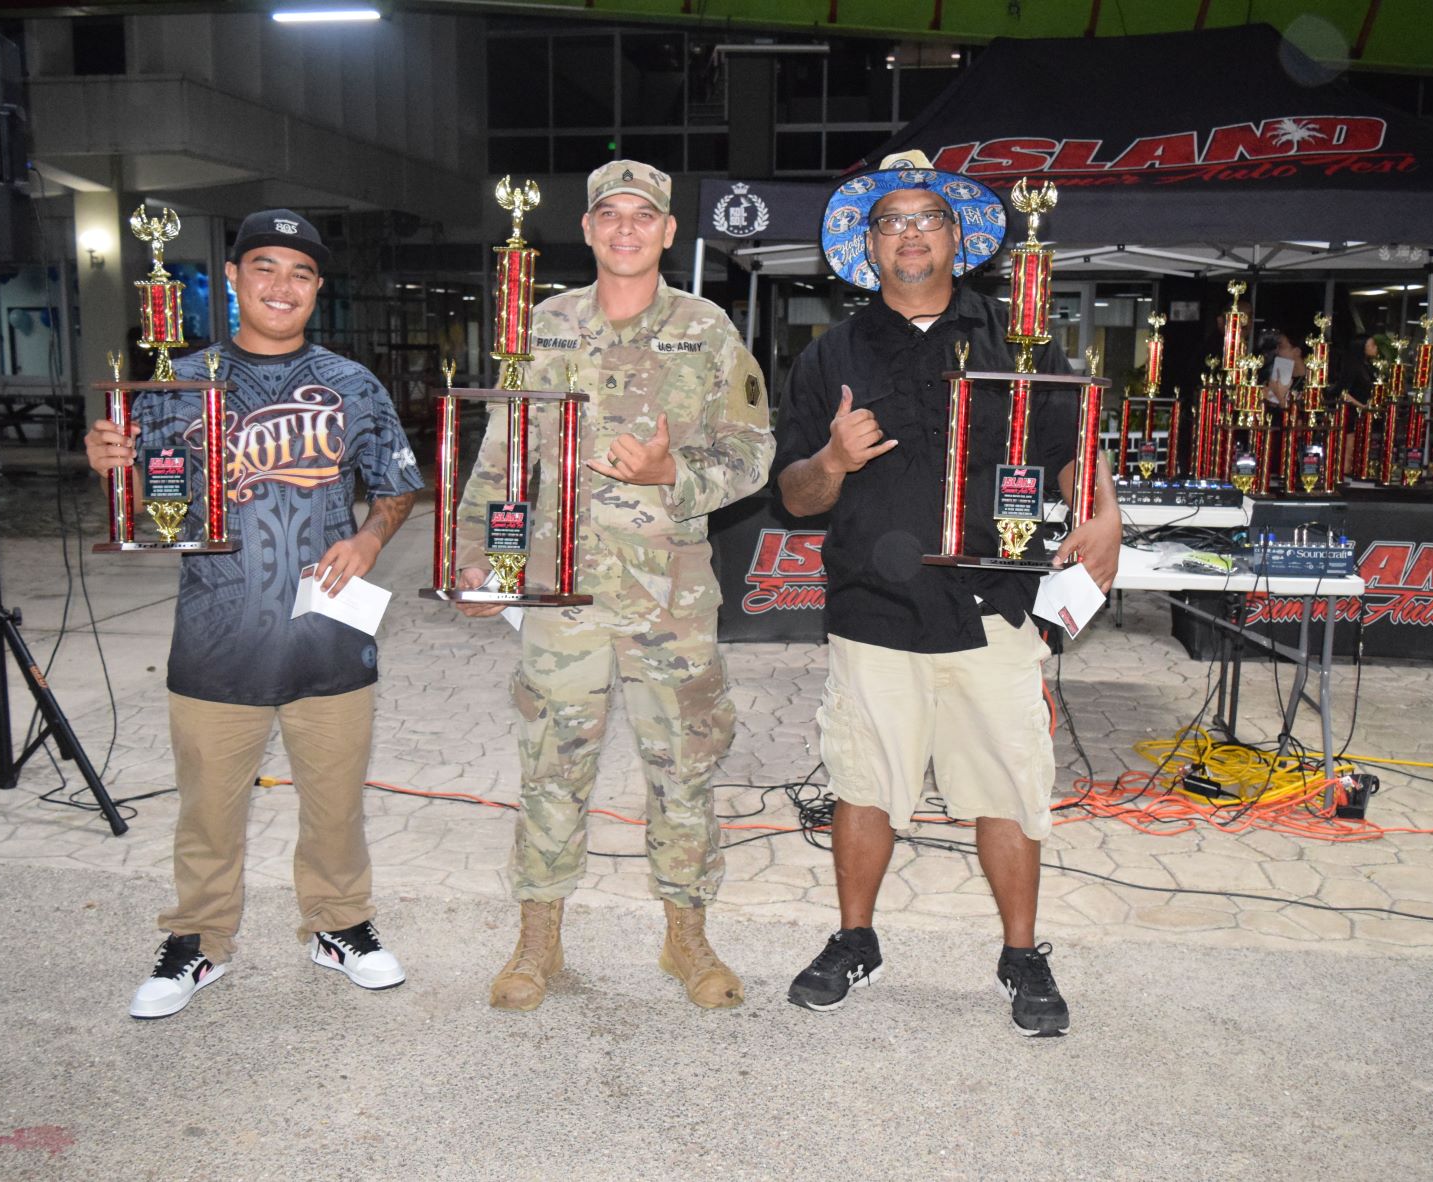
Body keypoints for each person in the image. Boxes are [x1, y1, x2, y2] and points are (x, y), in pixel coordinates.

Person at [774, 154, 1122, 1037]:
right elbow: (793, 495)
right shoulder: (831, 355)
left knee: (1007, 788)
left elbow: (1073, 442)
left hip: (991, 605)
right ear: (867, 244)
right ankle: (854, 939)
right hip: (872, 611)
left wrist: (1109, 516)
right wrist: (833, 460)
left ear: (957, 237)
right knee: (862, 784)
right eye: (890, 221)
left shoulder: (1019, 340)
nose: (911, 233)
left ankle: (1020, 955)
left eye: (928, 217)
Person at [85, 209, 424, 1019]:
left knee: (337, 803)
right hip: (216, 630)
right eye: (264, 267)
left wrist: (373, 537)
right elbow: (147, 506)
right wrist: (110, 467)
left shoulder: (353, 385)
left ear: (317, 288)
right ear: (232, 279)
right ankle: (197, 942)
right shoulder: (175, 382)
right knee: (207, 809)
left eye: (301, 272)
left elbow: (398, 484)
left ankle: (339, 927)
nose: (282, 285)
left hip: (328, 631)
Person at [451, 161, 773, 1012]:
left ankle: (685, 939)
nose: (625, 228)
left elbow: (751, 454)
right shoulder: (544, 325)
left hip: (669, 599)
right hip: (562, 595)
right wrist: (476, 553)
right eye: (608, 215)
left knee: (685, 772)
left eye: (644, 216)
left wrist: (675, 473)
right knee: (551, 767)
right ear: (588, 231)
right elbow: (500, 451)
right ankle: (538, 940)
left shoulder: (706, 331)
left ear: (669, 232)